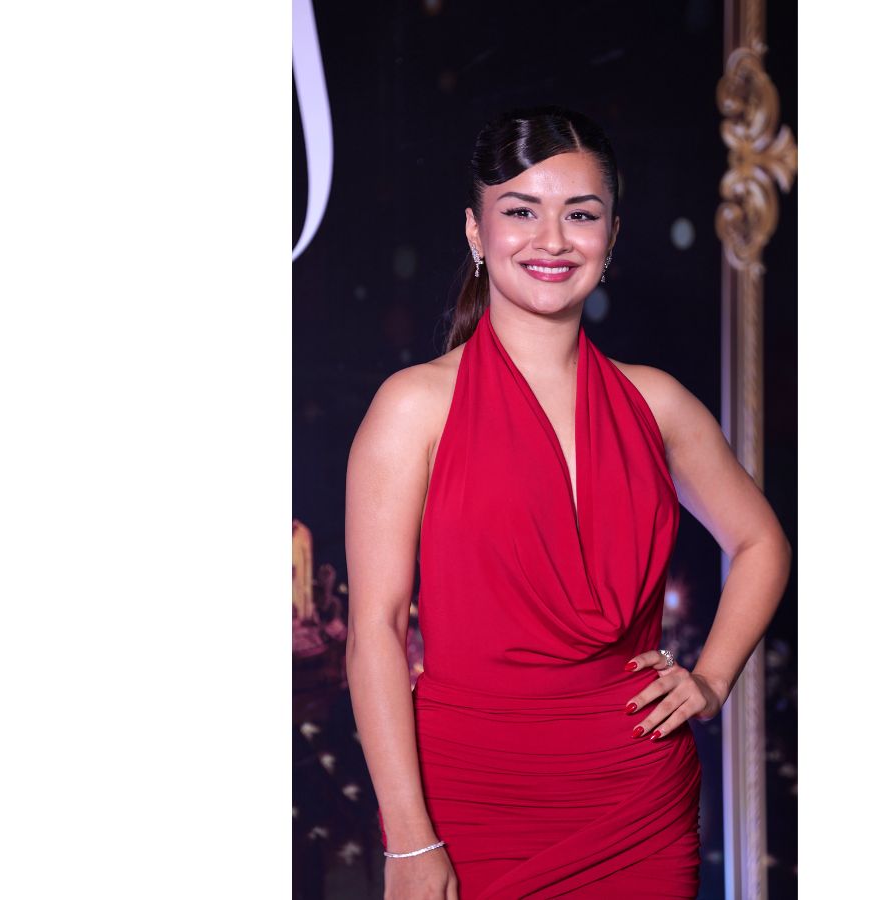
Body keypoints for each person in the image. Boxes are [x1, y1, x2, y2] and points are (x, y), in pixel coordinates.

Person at [345, 105, 791, 900]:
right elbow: (373, 633)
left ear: (612, 236)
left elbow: (762, 542)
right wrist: (410, 839)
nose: (552, 240)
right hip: (466, 805)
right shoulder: (412, 407)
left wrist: (712, 679)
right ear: (477, 231)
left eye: (581, 215)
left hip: (637, 804)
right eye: (521, 212)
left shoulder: (657, 403)